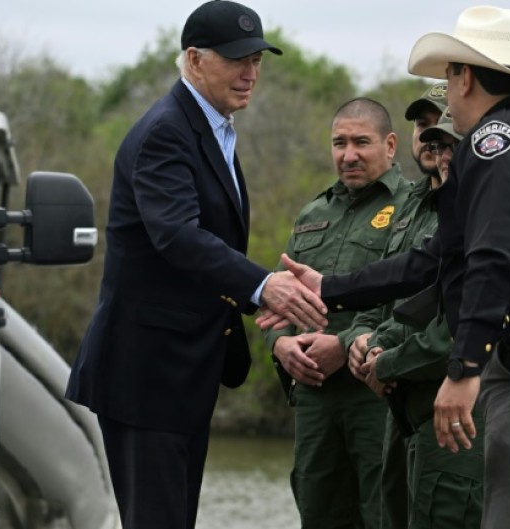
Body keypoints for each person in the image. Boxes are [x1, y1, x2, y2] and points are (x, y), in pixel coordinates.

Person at [262, 6, 510, 528]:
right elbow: (437, 259)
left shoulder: (494, 139)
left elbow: (494, 258)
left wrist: (465, 368)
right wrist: (332, 287)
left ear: (463, 76)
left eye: (446, 76)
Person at [65, 2, 326, 528]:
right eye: (235, 60)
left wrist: (258, 295)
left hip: (184, 374)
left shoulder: (213, 128)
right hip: (147, 377)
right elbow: (178, 236)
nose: (250, 72)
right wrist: (261, 286)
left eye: (256, 59)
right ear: (193, 59)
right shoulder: (166, 131)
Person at [264, 97, 413, 529]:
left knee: (384, 512)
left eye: (361, 142)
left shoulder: (413, 209)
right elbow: (279, 299)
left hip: (377, 394)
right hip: (314, 399)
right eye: (339, 143)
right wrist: (281, 344)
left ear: (389, 145)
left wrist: (344, 343)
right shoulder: (314, 213)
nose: (348, 155)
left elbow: (416, 302)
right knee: (318, 511)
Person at [349, 109, 483, 529]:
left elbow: (456, 329)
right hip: (407, 410)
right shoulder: (432, 212)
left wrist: (386, 361)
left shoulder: (489, 221)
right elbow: (417, 301)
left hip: (460, 416)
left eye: (454, 148)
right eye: (438, 145)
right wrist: (373, 342)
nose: (442, 156)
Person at [340, 82, 449, 529]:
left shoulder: (475, 204)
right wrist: (361, 339)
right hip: (398, 402)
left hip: (449, 398)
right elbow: (383, 290)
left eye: (440, 126)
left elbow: (458, 315)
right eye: (422, 127)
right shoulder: (408, 206)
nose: (428, 137)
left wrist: (387, 358)